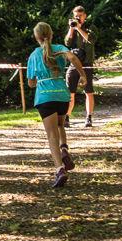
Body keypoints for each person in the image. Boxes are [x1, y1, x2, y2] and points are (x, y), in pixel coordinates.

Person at [28, 22, 86, 187]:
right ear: (51, 34)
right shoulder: (60, 48)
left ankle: (59, 169)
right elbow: (73, 57)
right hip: (62, 95)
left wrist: (39, 80)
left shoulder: (34, 55)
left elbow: (31, 83)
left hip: (45, 97)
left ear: (36, 37)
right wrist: (83, 75)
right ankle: (64, 149)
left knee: (51, 134)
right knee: (60, 125)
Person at [65, 5, 97, 128]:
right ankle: (66, 117)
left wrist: (79, 28)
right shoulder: (73, 26)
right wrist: (71, 29)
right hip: (74, 63)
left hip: (87, 63)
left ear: (85, 16)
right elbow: (67, 42)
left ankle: (89, 118)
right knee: (70, 92)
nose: (78, 18)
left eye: (80, 16)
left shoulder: (91, 27)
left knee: (88, 92)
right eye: (76, 16)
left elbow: (90, 40)